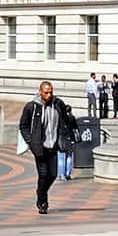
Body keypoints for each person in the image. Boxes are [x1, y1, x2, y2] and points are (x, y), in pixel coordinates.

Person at [19, 81, 78, 216]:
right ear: (40, 92)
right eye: (46, 92)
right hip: (40, 147)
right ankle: (42, 202)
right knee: (43, 174)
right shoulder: (31, 107)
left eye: (51, 92)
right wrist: (31, 141)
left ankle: (41, 191)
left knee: (53, 174)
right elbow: (23, 126)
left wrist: (67, 125)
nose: (49, 94)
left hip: (53, 146)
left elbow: (64, 121)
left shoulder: (58, 104)